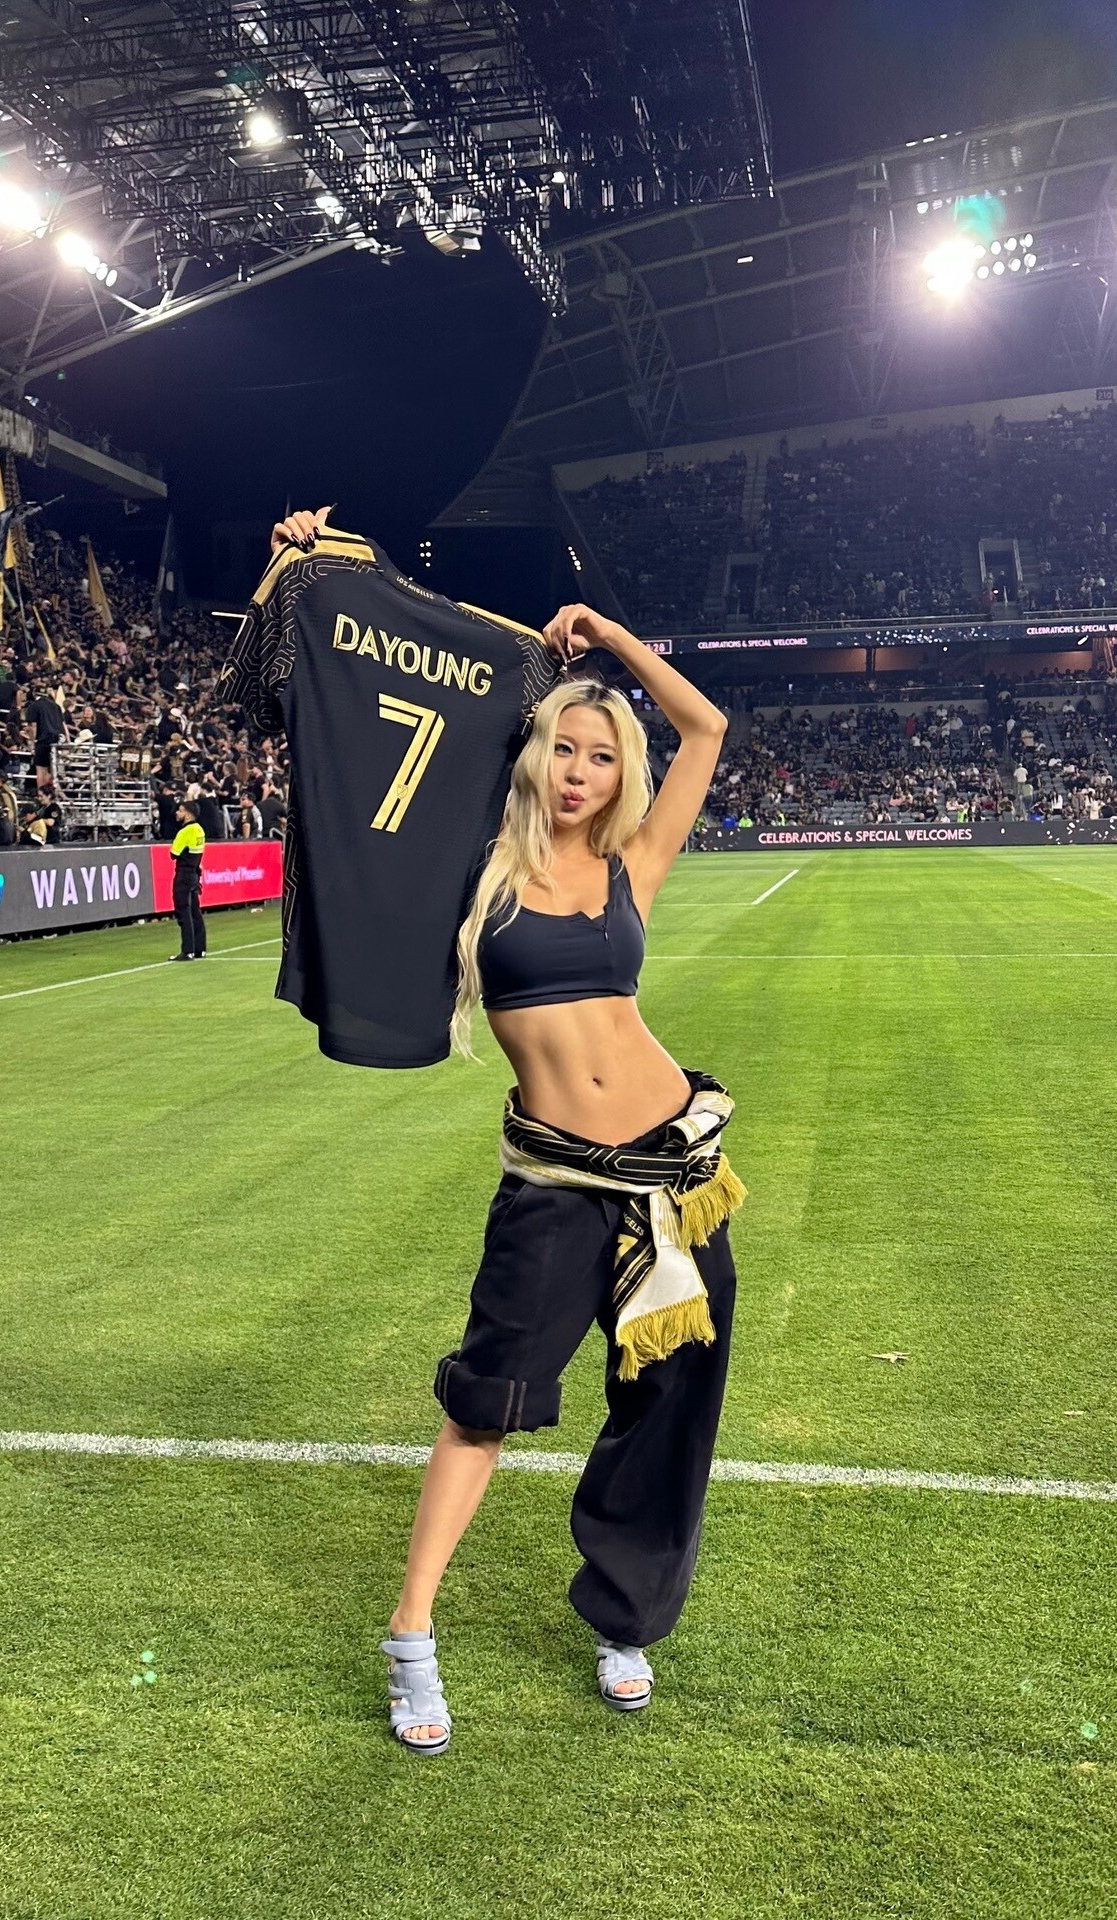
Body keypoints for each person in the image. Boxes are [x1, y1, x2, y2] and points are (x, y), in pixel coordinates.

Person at [376, 597, 740, 1758]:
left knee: (666, 1402)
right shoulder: (476, 870)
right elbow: (382, 736)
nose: (580, 771)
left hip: (674, 1175)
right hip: (552, 1183)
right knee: (485, 1404)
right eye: (564, 749)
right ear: (534, 756)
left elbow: (707, 728)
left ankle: (623, 1620)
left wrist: (619, 644)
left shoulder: (634, 867)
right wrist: (315, 575)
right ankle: (410, 1634)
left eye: (602, 754)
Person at [169, 798, 206, 960]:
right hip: (194, 873)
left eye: (181, 810)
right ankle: (200, 948)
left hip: (183, 874)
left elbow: (173, 854)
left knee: (183, 912)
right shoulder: (200, 830)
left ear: (188, 814)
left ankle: (188, 950)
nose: (177, 813)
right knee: (195, 912)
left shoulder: (185, 831)